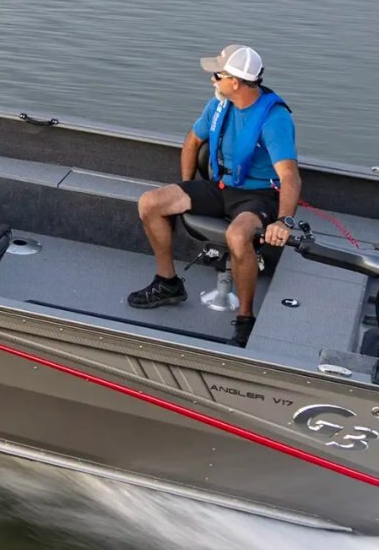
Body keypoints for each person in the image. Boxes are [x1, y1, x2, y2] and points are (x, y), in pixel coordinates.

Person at [127, 44, 301, 348]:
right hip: (220, 187)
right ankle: (168, 283)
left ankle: (245, 318)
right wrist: (186, 186)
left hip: (258, 196)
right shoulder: (218, 105)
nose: (212, 79)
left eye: (217, 75)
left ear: (235, 81)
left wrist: (284, 221)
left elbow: (289, 176)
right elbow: (192, 141)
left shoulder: (275, 119)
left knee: (238, 235)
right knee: (150, 203)